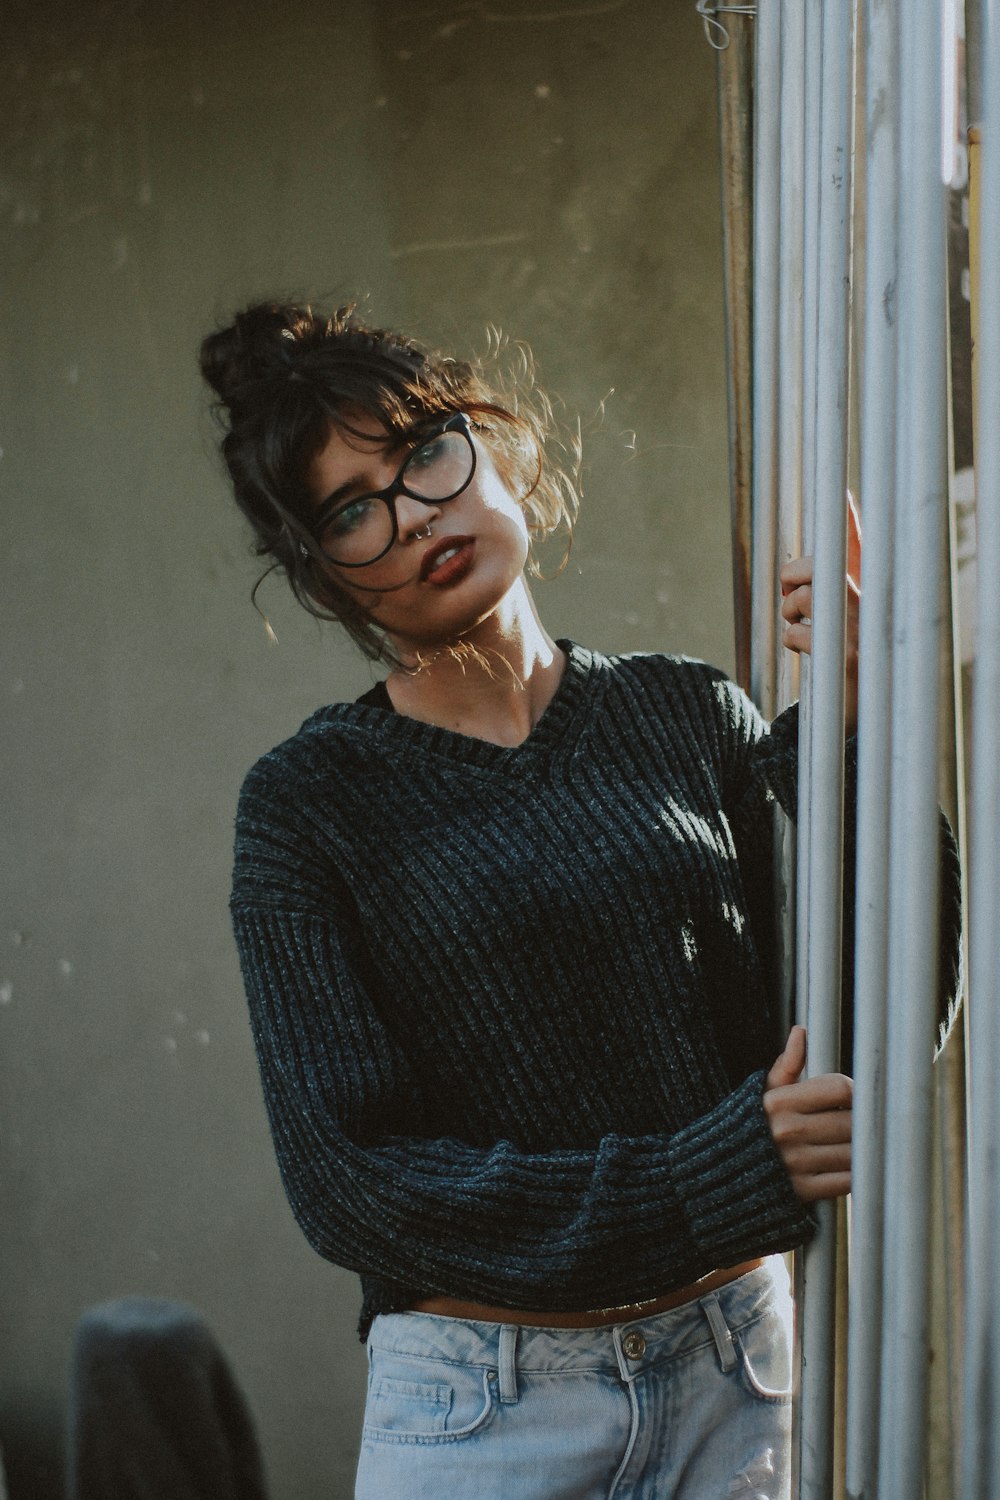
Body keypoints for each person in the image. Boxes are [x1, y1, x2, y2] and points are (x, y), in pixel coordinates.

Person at [199, 302, 955, 1500]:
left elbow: (869, 1029)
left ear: (497, 449)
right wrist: (704, 1179)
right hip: (484, 1412)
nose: (413, 517)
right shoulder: (307, 806)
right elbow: (352, 1182)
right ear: (320, 573)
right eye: (352, 511)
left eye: (424, 455)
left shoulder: (686, 713)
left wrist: (859, 723)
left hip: (740, 1387)